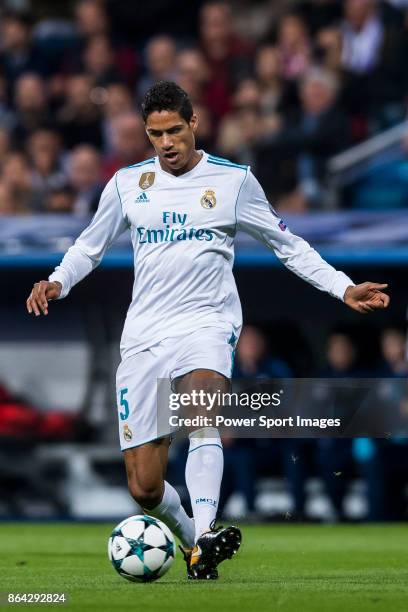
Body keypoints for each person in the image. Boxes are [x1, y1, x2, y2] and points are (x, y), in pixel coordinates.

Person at [26, 81, 390, 580]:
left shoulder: (234, 181)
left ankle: (209, 527)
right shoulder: (127, 184)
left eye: (175, 130)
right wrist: (56, 281)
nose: (167, 143)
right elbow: (89, 247)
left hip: (207, 320)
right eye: (156, 134)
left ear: (194, 124)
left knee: (202, 413)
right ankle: (197, 541)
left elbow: (289, 245)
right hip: (145, 334)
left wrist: (342, 287)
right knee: (145, 488)